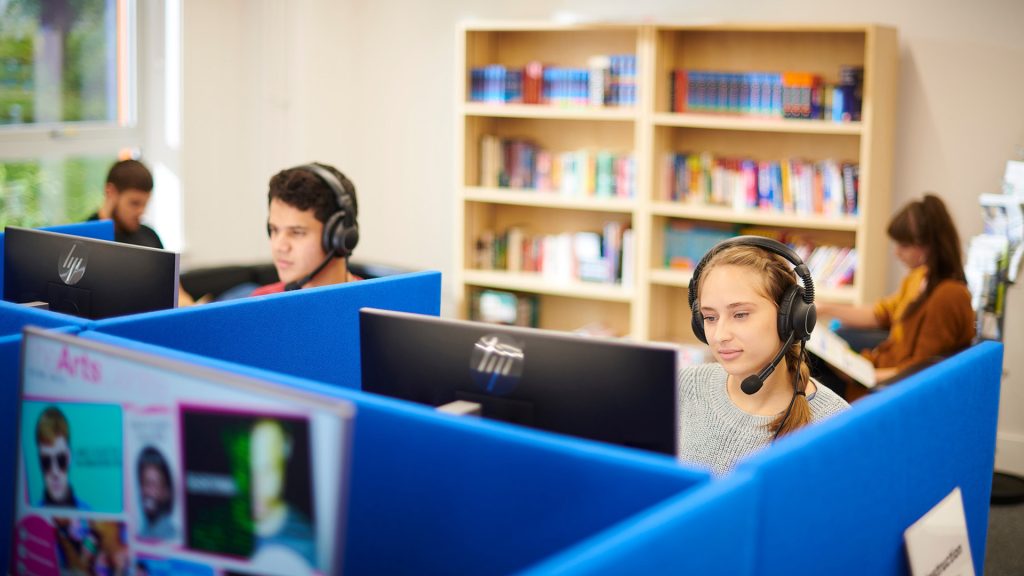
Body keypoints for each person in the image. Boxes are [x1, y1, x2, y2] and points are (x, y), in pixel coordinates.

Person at [678, 237, 849, 475]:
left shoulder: (835, 423)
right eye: (710, 317)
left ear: (790, 319)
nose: (720, 335)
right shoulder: (683, 387)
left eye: (740, 314)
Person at [815, 194, 975, 396]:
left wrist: (864, 376)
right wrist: (826, 308)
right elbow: (880, 313)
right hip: (879, 368)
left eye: (904, 246)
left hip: (889, 387)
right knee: (815, 361)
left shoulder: (948, 296)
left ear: (929, 246)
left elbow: (920, 371)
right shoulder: (918, 278)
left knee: (811, 376)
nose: (896, 253)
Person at [88, 158, 198, 306]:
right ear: (111, 193)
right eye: (134, 203)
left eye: (145, 204)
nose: (141, 211)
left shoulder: (150, 236)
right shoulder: (85, 238)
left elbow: (178, 293)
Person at [251, 162, 361, 296]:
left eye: (296, 232)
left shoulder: (378, 307)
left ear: (340, 237)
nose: (279, 246)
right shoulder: (260, 304)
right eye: (274, 230)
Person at [249, 419, 315, 569]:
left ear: (287, 449)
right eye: (246, 470)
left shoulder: (309, 546)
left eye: (267, 469)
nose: (255, 488)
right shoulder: (212, 531)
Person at [35, 406, 90, 508]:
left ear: (68, 458)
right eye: (46, 462)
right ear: (40, 463)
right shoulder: (31, 517)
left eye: (61, 459)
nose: (55, 472)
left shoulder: (90, 518)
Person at [136, 446, 177, 540]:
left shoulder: (170, 535)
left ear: (166, 493)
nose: (146, 491)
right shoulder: (143, 531)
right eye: (144, 483)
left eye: (153, 485)